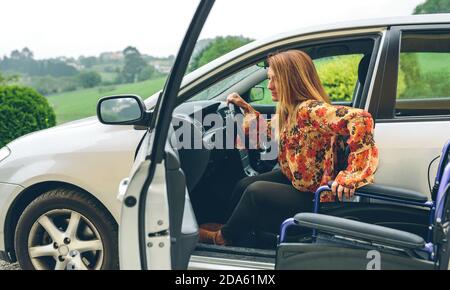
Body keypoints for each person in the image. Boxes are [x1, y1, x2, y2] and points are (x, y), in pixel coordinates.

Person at [199, 50, 379, 246]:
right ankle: (234, 229)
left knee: (254, 192)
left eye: (275, 80)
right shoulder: (291, 109)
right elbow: (273, 130)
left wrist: (352, 175)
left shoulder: (308, 110)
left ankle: (223, 238)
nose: (269, 86)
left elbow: (362, 119)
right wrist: (246, 107)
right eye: (268, 79)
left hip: (315, 194)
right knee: (244, 184)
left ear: (291, 80)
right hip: (297, 180)